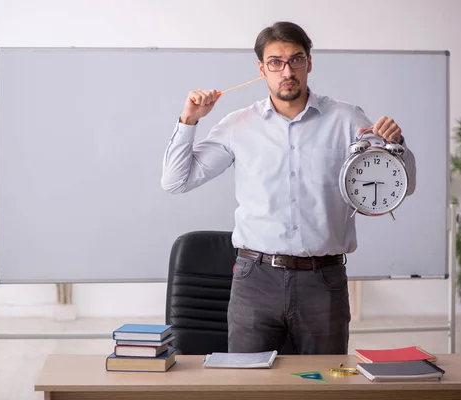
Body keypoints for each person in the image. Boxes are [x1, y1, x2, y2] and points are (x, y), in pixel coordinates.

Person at [161, 21, 416, 355]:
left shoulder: (346, 120)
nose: (287, 71)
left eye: (296, 60)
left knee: (324, 386)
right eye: (276, 62)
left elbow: (405, 185)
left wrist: (397, 146)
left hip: (323, 280)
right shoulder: (238, 125)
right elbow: (176, 181)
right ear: (262, 69)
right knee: (249, 386)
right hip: (255, 280)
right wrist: (189, 119)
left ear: (309, 62)